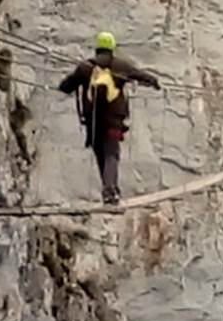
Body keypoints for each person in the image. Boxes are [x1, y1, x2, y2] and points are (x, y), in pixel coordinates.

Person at [58, 32, 160, 205]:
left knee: (100, 154)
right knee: (112, 154)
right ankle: (110, 190)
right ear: (112, 48)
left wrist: (74, 81)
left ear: (97, 48)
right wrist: (154, 82)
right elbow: (140, 75)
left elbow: (65, 87)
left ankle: (108, 190)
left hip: (93, 122)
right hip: (114, 121)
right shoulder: (121, 66)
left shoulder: (85, 67)